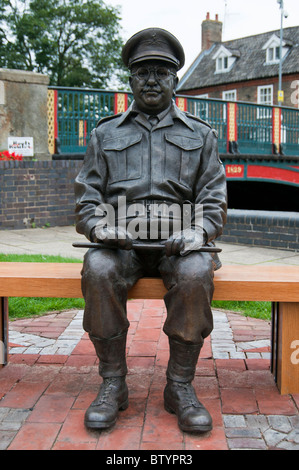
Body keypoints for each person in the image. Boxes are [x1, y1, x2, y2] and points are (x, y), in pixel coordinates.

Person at [74, 28, 227, 433]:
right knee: (99, 268)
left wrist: (200, 233)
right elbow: (87, 198)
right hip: (121, 242)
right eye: (143, 72)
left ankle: (179, 386)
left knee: (196, 275)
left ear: (176, 79)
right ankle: (113, 384)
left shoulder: (201, 135)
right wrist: (100, 227)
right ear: (130, 80)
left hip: (179, 243)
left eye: (162, 72)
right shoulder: (105, 134)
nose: (152, 80)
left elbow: (214, 198)